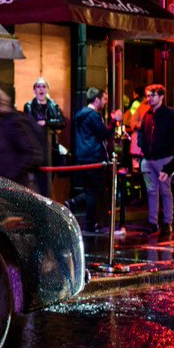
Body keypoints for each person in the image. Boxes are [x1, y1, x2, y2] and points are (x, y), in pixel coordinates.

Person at [65, 87, 120, 233]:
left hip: (82, 157)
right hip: (94, 157)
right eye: (104, 99)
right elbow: (103, 133)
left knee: (91, 190)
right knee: (95, 191)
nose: (105, 102)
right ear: (97, 100)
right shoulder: (93, 116)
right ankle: (90, 222)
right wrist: (114, 121)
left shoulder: (79, 115)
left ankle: (75, 205)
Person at [137, 83, 174, 235]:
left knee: (165, 190)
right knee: (151, 191)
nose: (149, 99)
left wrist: (169, 149)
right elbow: (142, 133)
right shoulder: (147, 115)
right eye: (148, 96)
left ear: (161, 96)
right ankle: (152, 222)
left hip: (164, 158)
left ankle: (167, 222)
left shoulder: (169, 115)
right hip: (149, 158)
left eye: (153, 95)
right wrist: (142, 147)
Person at [23, 77, 66, 196]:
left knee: (48, 180)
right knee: (35, 181)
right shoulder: (29, 106)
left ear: (47, 89)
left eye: (43, 86)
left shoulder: (53, 106)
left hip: (51, 148)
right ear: (34, 90)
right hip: (35, 147)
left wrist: (46, 123)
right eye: (38, 86)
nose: (41, 89)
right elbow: (28, 123)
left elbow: (62, 122)